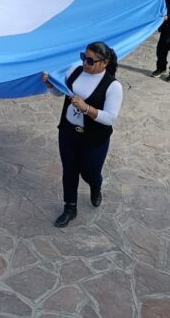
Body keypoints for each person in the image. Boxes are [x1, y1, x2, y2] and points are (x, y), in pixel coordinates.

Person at [42, 42, 122, 228]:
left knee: (90, 172)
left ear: (104, 62)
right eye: (83, 57)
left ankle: (96, 185)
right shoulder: (75, 71)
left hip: (94, 139)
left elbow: (110, 118)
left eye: (90, 60)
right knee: (69, 170)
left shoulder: (113, 86)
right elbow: (59, 92)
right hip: (68, 132)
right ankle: (70, 208)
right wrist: (49, 84)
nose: (85, 63)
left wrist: (86, 108)